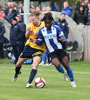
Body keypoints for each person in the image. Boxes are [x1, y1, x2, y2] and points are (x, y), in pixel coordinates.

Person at [33, 13, 77, 87]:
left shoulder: (57, 28)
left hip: (60, 49)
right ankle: (64, 72)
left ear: (51, 21)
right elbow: (40, 42)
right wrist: (35, 41)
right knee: (57, 64)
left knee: (66, 65)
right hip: (51, 51)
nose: (47, 24)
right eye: (46, 23)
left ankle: (72, 82)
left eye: (49, 23)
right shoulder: (41, 31)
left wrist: (63, 39)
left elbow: (63, 37)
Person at [12, 11, 45, 88]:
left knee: (35, 64)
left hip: (39, 49)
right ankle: (17, 73)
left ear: (38, 19)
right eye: (31, 20)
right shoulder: (30, 25)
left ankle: (29, 83)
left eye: (33, 20)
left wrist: (40, 34)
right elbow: (26, 36)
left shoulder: (43, 25)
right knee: (18, 64)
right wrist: (29, 31)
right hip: (29, 47)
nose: (32, 22)